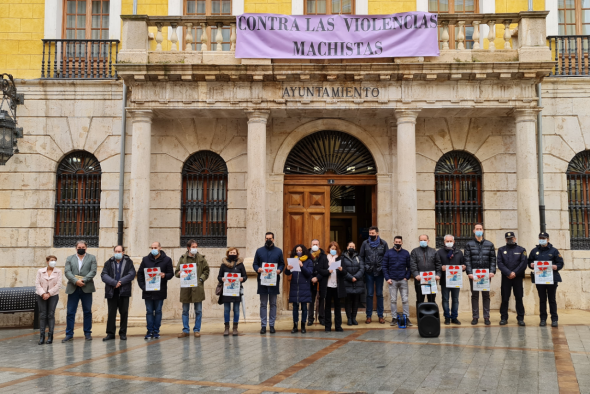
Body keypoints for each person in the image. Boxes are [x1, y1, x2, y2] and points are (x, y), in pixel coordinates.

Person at [137, 241, 174, 339]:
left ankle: (156, 331)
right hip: (148, 291)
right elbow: (140, 274)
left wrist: (164, 275)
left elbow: (171, 274)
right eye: (152, 248)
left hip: (160, 291)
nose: (153, 249)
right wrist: (142, 286)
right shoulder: (145, 260)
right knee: (149, 311)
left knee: (158, 311)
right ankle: (149, 331)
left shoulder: (167, 260)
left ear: (160, 248)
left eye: (155, 247)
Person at [62, 240, 97, 342]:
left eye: (83, 247)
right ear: (76, 248)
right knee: (70, 312)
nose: (81, 249)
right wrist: (75, 281)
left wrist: (83, 280)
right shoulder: (70, 258)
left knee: (87, 311)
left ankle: (87, 333)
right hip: (73, 288)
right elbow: (67, 271)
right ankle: (69, 334)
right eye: (79, 247)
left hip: (87, 287)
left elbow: (93, 271)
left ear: (86, 248)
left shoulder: (92, 258)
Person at [528, 232, 564, 327]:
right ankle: (543, 319)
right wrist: (531, 265)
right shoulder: (534, 251)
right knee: (542, 299)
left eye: (543, 238)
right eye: (540, 238)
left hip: (551, 279)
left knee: (552, 299)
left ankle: (554, 319)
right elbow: (529, 262)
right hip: (540, 279)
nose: (542, 239)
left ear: (548, 239)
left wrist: (556, 266)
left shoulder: (554, 251)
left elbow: (560, 263)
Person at [175, 239, 210, 338]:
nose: (195, 249)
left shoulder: (201, 258)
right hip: (186, 288)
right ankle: (185, 330)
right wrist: (179, 273)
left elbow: (206, 270)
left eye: (196, 247)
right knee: (185, 311)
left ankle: (197, 330)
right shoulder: (182, 258)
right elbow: (176, 272)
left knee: (198, 310)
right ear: (188, 248)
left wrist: (201, 279)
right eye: (193, 247)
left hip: (197, 288)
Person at [101, 245, 136, 341]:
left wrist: (120, 282)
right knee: (111, 313)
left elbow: (132, 274)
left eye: (119, 251)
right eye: (116, 251)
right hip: (111, 292)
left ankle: (123, 333)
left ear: (123, 252)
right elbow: (104, 275)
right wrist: (114, 283)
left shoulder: (129, 262)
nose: (117, 253)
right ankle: (110, 333)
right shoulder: (109, 262)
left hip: (124, 291)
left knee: (124, 313)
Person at [464, 223, 496, 326]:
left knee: (486, 295)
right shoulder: (469, 245)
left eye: (480, 229)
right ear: (474, 231)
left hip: (486, 275)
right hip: (474, 275)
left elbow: (493, 259)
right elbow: (467, 260)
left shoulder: (489, 244)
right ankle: (475, 317)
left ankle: (486, 317)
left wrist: (492, 271)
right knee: (475, 296)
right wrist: (469, 273)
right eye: (477, 229)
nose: (479, 230)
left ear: (483, 230)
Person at [253, 232, 284, 334]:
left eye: (270, 238)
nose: (268, 240)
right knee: (263, 304)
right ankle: (263, 325)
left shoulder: (279, 251)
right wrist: (258, 269)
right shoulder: (259, 251)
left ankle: (272, 325)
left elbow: (282, 264)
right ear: (265, 239)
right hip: (262, 281)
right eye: (267, 238)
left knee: (273, 304)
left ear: (273, 239)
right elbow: (255, 264)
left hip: (274, 281)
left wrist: (279, 270)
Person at [497, 232, 528, 326]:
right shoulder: (501, 250)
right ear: (506, 239)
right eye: (508, 238)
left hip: (517, 278)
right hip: (506, 278)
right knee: (505, 298)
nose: (510, 239)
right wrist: (508, 273)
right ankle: (503, 318)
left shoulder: (521, 250)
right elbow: (500, 263)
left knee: (519, 298)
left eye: (511, 238)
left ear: (515, 238)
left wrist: (514, 272)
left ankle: (520, 318)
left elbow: (523, 263)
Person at [359, 226, 389, 324]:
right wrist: (364, 268)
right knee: (370, 294)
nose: (371, 235)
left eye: (373, 233)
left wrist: (384, 269)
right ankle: (368, 316)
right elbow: (361, 257)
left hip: (380, 272)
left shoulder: (383, 243)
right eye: (370, 233)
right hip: (369, 272)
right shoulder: (365, 243)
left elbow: (387, 257)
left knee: (379, 294)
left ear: (377, 233)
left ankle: (380, 316)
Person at [382, 236, 412, 327]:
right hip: (392, 280)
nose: (397, 243)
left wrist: (407, 277)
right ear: (393, 242)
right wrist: (387, 278)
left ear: (402, 243)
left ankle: (406, 317)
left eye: (399, 242)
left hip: (403, 280)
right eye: (396, 242)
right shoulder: (388, 253)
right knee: (393, 300)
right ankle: (394, 318)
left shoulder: (406, 253)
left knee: (405, 300)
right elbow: (384, 266)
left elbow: (410, 266)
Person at [436, 235, 465, 325]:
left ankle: (454, 317)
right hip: (445, 280)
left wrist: (463, 267)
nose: (449, 242)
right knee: (445, 299)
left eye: (450, 241)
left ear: (454, 241)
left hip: (456, 280)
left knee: (455, 299)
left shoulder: (459, 252)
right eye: (447, 241)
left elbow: (463, 264)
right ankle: (447, 317)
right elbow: (437, 265)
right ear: (444, 242)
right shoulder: (439, 252)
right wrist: (441, 267)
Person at [218, 247, 247, 336]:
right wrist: (222, 279)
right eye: (231, 252)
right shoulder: (223, 265)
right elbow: (219, 277)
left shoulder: (240, 265)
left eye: (234, 252)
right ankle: (226, 328)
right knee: (226, 310)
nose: (232, 254)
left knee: (236, 310)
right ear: (228, 253)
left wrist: (242, 279)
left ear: (237, 254)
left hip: (236, 290)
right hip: (226, 291)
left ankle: (235, 328)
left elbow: (245, 276)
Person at [318, 241, 346, 332]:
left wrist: (341, 269)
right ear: (329, 249)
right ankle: (327, 326)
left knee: (338, 306)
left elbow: (345, 272)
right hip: (327, 286)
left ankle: (338, 326)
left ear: (337, 250)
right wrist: (328, 271)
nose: (333, 250)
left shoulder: (340, 259)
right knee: (327, 306)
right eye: (331, 248)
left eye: (334, 249)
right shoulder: (324, 258)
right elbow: (320, 270)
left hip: (337, 286)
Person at [285, 244, 314, 334]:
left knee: (304, 307)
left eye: (300, 250)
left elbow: (309, 273)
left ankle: (303, 326)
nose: (299, 252)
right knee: (295, 307)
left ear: (304, 251)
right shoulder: (293, 260)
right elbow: (287, 273)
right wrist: (287, 268)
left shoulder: (308, 261)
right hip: (294, 286)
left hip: (304, 287)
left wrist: (302, 266)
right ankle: (295, 326)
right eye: (297, 250)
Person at [35, 255, 62, 345]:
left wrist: (49, 293)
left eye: (55, 260)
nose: (53, 262)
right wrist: (43, 293)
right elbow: (37, 283)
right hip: (41, 295)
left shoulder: (58, 271)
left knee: (51, 314)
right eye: (51, 260)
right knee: (42, 315)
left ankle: (50, 336)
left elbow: (58, 285)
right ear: (47, 261)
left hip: (53, 295)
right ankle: (42, 336)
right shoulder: (40, 271)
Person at [410, 234, 441, 310]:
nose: (423, 241)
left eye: (424, 240)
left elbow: (438, 264)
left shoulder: (434, 251)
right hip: (419, 280)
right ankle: (420, 318)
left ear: (428, 241)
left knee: (431, 299)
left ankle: (432, 317)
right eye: (421, 240)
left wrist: (438, 274)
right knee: (420, 300)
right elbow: (413, 264)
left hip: (432, 280)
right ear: (419, 241)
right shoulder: (414, 251)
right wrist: (416, 274)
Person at [341, 241, 365, 326]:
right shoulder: (342, 258)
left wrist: (356, 277)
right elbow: (342, 270)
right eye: (350, 246)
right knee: (347, 302)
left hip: (357, 282)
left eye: (353, 246)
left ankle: (354, 318)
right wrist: (351, 277)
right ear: (347, 247)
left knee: (356, 302)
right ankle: (349, 319)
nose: (352, 248)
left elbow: (362, 269)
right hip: (347, 282)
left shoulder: (359, 257)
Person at [308, 239, 328, 326]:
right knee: (311, 300)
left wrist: (318, 277)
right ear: (311, 245)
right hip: (310, 280)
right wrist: (312, 278)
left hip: (321, 280)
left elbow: (325, 269)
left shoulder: (324, 256)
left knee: (321, 299)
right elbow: (306, 268)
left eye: (316, 244)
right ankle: (310, 318)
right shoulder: (307, 256)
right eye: (313, 244)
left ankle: (321, 318)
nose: (315, 245)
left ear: (319, 246)